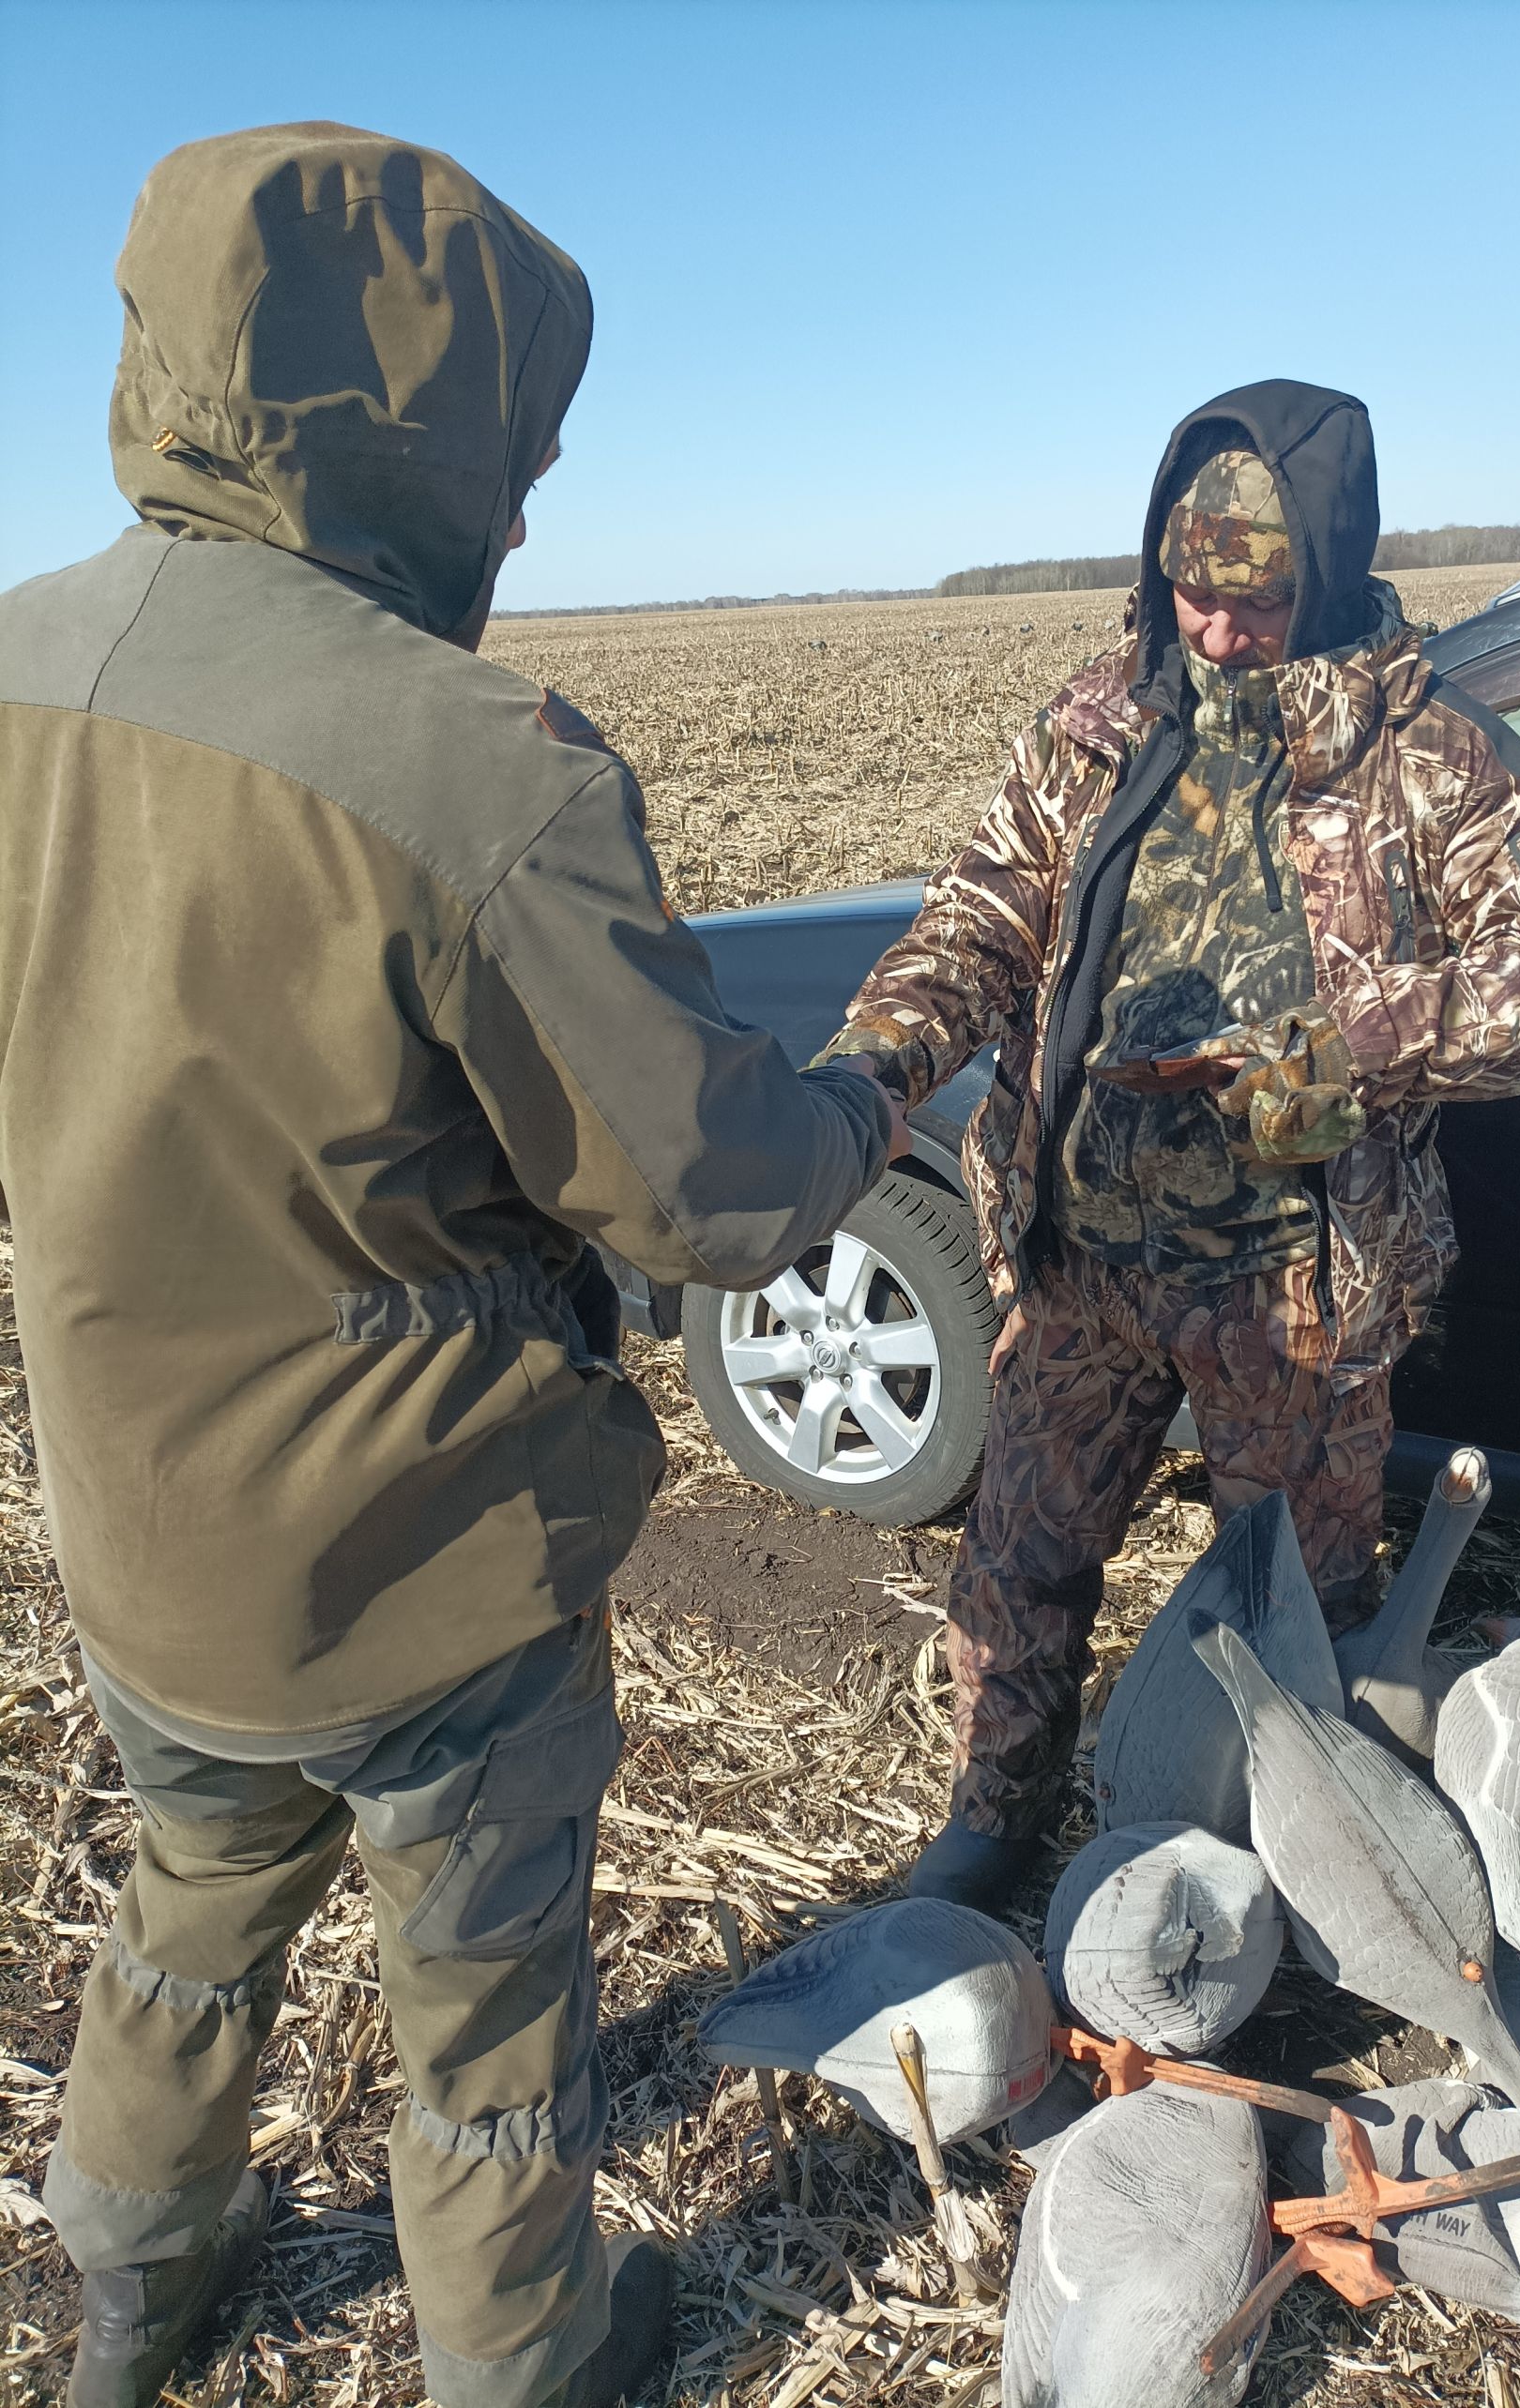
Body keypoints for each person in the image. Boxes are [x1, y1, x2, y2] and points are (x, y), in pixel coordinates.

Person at [0, 125, 905, 2408]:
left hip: (144, 1547)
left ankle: (131, 2296)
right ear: (420, 417)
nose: (522, 510)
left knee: (183, 1924)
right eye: (516, 443)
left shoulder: (16, 672)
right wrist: (877, 1108)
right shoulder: (470, 763)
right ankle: (535, 2360)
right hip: (431, 1579)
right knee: (490, 2027)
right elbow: (706, 1194)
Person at [817, 380, 1520, 1913]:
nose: (1211, 630)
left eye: (1251, 601)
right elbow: (986, 912)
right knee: (1018, 1564)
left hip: (1292, 1297)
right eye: (1188, 591)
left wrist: (1352, 1041)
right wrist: (878, 1066)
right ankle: (995, 1825)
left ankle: (1291, 1888)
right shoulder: (1099, 714)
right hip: (1081, 1257)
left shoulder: (1430, 758)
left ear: (1323, 574)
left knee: (1296, 1618)